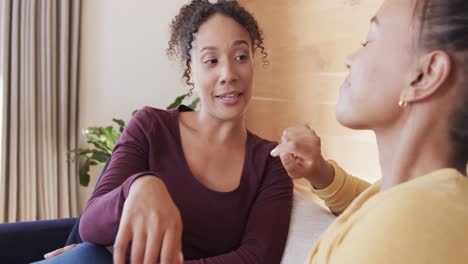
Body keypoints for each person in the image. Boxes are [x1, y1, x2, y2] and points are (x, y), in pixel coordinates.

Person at [40, 1, 292, 263]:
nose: (228, 73)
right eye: (211, 60)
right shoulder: (151, 127)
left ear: (253, 62)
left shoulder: (271, 163)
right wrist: (138, 186)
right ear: (191, 71)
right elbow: (89, 226)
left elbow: (258, 257)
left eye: (240, 56)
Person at [271, 0, 468, 263]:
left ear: (426, 75)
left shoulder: (399, 231)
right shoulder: (428, 200)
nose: (349, 59)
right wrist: (320, 173)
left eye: (369, 41)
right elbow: (366, 204)